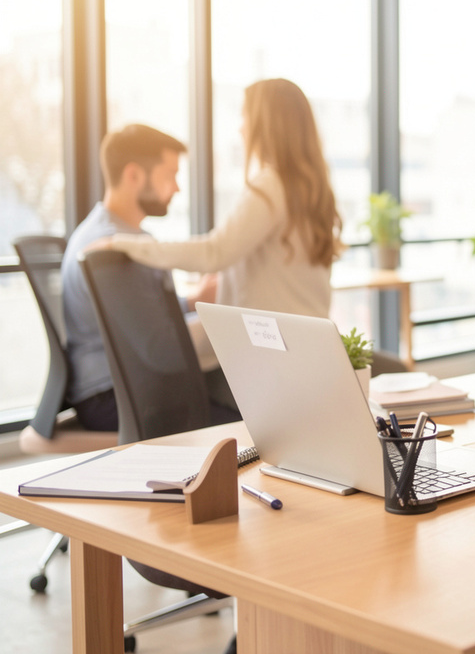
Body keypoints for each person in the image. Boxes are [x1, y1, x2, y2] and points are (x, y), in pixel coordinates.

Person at [101, 78, 343, 319]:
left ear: (265, 125)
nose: (241, 129)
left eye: (245, 117)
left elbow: (213, 252)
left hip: (275, 346)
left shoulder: (271, 185)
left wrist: (122, 243)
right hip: (310, 339)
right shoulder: (311, 188)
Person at [62, 124, 232, 431]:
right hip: (116, 397)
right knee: (249, 426)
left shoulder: (115, 235)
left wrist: (193, 300)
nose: (177, 188)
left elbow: (137, 311)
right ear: (134, 176)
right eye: (170, 175)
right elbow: (159, 347)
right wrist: (227, 327)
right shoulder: (112, 252)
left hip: (123, 387)